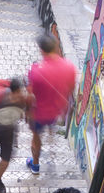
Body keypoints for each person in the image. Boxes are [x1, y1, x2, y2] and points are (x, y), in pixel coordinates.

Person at [27, 33, 77, 174]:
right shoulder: (70, 67)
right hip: (57, 110)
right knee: (50, 123)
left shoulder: (36, 71)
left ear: (42, 51)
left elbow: (31, 96)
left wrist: (27, 113)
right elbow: (71, 88)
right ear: (56, 47)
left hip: (39, 114)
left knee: (36, 138)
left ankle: (35, 164)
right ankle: (51, 131)